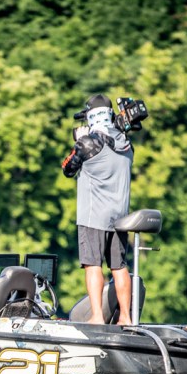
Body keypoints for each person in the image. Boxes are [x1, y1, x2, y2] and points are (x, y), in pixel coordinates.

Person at [61, 93, 134, 325]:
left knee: (92, 265)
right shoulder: (126, 144)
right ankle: (126, 317)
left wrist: (80, 141)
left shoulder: (88, 143)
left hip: (93, 216)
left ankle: (97, 316)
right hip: (120, 217)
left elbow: (67, 168)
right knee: (119, 267)